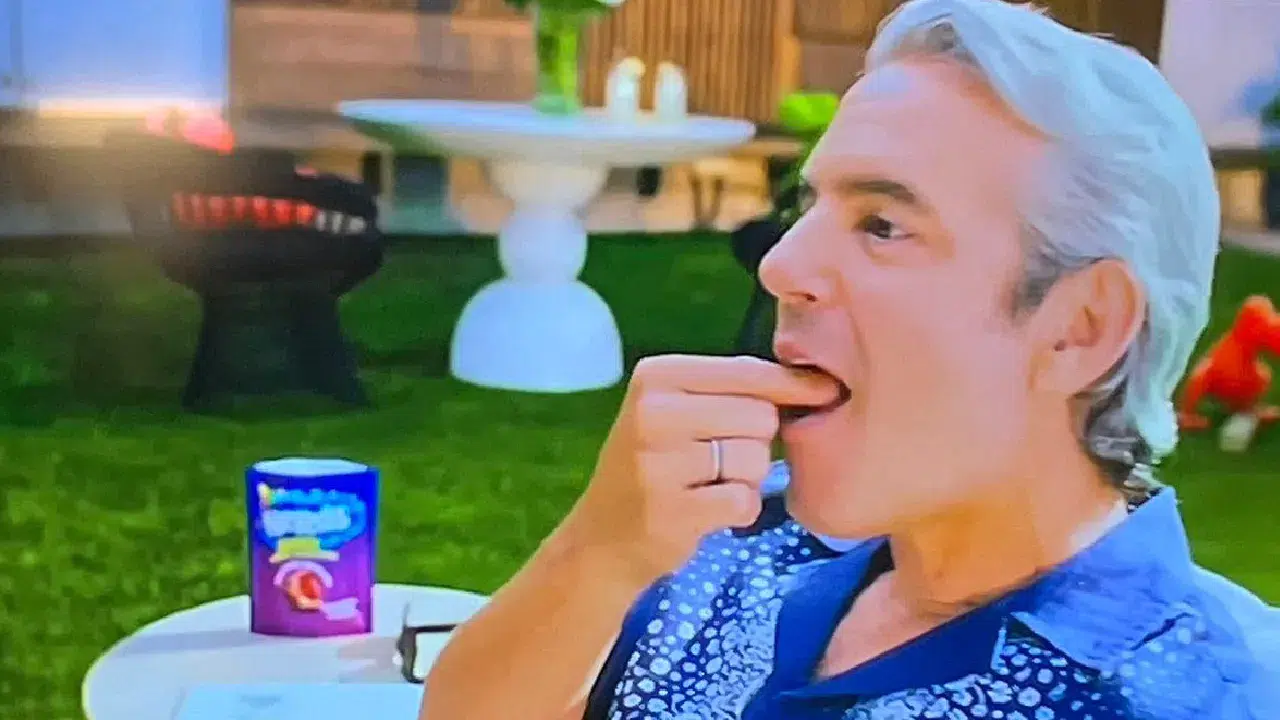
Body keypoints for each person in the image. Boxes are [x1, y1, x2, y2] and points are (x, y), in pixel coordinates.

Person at [419, 0, 1279, 718]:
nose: (781, 264)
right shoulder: (732, 539)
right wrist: (601, 552)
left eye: (882, 225)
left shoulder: (1182, 696)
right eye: (808, 209)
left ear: (1080, 328)